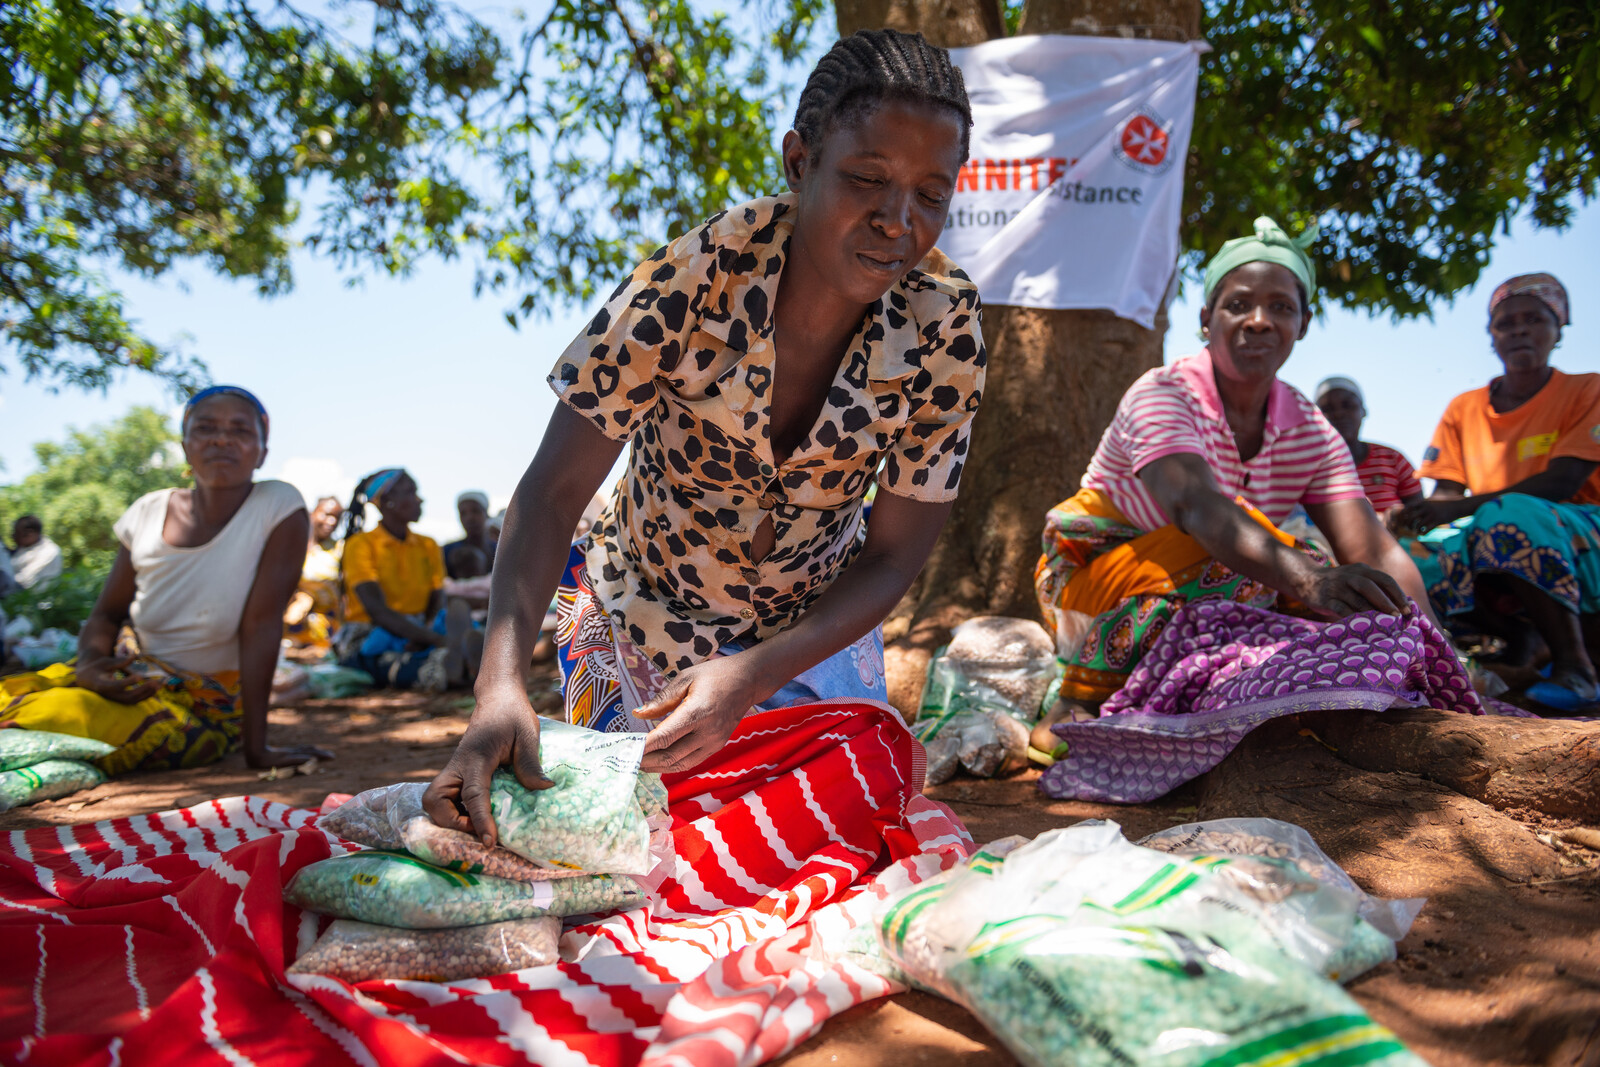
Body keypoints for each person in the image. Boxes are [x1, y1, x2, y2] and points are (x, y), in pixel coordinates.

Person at [424, 28, 985, 843]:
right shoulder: (691, 283)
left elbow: (894, 554)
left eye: (932, 194)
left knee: (854, 813)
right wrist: (499, 686)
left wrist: (753, 673)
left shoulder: (946, 324)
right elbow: (549, 495)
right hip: (636, 607)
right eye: (867, 179)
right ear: (799, 162)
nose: (899, 221)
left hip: (808, 627)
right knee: (628, 830)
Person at [1032, 217, 1439, 739]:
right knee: (1275, 560)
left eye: (1281, 307)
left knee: (1342, 598)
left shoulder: (1310, 428)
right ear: (1207, 319)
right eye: (1239, 304)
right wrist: (1311, 579)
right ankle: (1075, 702)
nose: (1259, 321)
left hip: (1209, 585)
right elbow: (1196, 506)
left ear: (1304, 324)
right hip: (1091, 585)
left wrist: (1432, 643)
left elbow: (1374, 549)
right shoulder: (1163, 393)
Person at [0, 387, 332, 771]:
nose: (222, 439)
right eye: (206, 428)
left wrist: (257, 748)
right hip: (134, 675)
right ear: (185, 446)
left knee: (55, 713)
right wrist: (91, 668)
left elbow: (261, 625)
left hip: (207, 706)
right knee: (13, 692)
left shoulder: (277, 504)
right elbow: (107, 614)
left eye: (240, 431)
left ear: (263, 453)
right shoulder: (148, 510)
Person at [1398, 273, 1600, 712]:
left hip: (1582, 532)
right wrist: (1411, 519)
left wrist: (1460, 509)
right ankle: (1508, 649)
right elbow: (1446, 497)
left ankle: (1575, 665)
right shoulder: (1464, 407)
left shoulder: (1588, 389)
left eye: (1534, 319)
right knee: (1407, 556)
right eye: (1506, 324)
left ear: (1559, 330)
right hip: (1495, 531)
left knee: (1511, 517)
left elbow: (1563, 483)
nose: (1519, 330)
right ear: (1491, 338)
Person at [334, 469, 481, 692]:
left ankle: (460, 658)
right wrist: (432, 638)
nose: (419, 499)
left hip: (421, 627)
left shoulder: (428, 545)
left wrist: (427, 630)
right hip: (371, 633)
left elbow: (437, 599)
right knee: (394, 664)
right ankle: (457, 662)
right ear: (387, 502)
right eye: (411, 492)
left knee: (436, 642)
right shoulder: (361, 545)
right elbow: (377, 611)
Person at [1314, 377, 1424, 526]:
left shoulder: (1392, 458)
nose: (1339, 414)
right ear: (1315, 418)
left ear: (1363, 410)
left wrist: (1397, 518)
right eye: (1327, 409)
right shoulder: (1309, 466)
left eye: (1348, 405)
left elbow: (1419, 510)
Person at [283, 496, 344, 653]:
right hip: (292, 625)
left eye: (336, 518)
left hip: (328, 629)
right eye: (326, 514)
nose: (331, 522)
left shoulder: (339, 549)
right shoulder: (292, 544)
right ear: (312, 513)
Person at [443, 491, 496, 579]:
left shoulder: (500, 551)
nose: (469, 518)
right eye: (463, 513)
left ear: (486, 514)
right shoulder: (447, 551)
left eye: (475, 511)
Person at [9, 516, 64, 590]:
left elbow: (25, 579)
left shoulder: (49, 552)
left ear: (30, 533)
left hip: (36, 599)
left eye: (17, 533)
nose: (13, 537)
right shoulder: (25, 547)